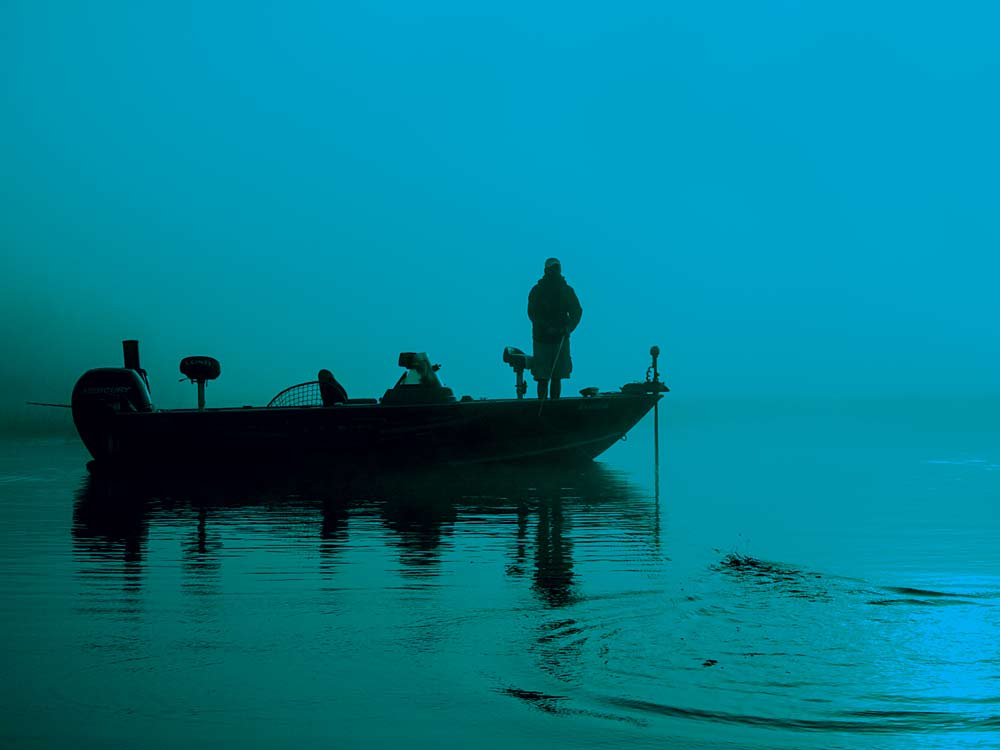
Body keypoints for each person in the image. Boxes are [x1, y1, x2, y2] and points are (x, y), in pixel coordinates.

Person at [527, 257, 582, 400]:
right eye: (553, 268)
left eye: (557, 268)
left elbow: (577, 311)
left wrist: (569, 327)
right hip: (542, 340)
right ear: (546, 270)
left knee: (557, 376)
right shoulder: (537, 290)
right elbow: (532, 313)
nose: (555, 271)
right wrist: (546, 328)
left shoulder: (567, 290)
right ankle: (542, 403)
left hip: (561, 339)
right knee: (542, 376)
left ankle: (555, 404)